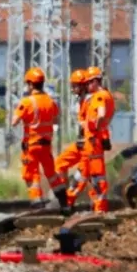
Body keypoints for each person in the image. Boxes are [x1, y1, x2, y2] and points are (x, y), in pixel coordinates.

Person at [10, 67, 66, 208]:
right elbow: (56, 120)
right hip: (46, 145)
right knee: (51, 174)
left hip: (31, 146)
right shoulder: (50, 101)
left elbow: (14, 122)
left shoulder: (27, 102)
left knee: (31, 175)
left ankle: (37, 202)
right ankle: (64, 202)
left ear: (30, 84)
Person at [54, 69, 93, 212]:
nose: (73, 89)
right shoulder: (81, 102)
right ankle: (63, 197)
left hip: (89, 145)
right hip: (81, 143)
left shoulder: (91, 102)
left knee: (80, 178)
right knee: (59, 163)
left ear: (83, 86)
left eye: (76, 86)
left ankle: (69, 201)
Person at [81, 66, 115, 213]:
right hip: (97, 139)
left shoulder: (99, 96)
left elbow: (101, 115)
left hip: (94, 141)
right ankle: (96, 205)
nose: (87, 86)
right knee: (92, 176)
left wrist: (95, 130)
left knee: (97, 176)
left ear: (96, 81)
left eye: (89, 83)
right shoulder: (106, 95)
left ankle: (100, 208)